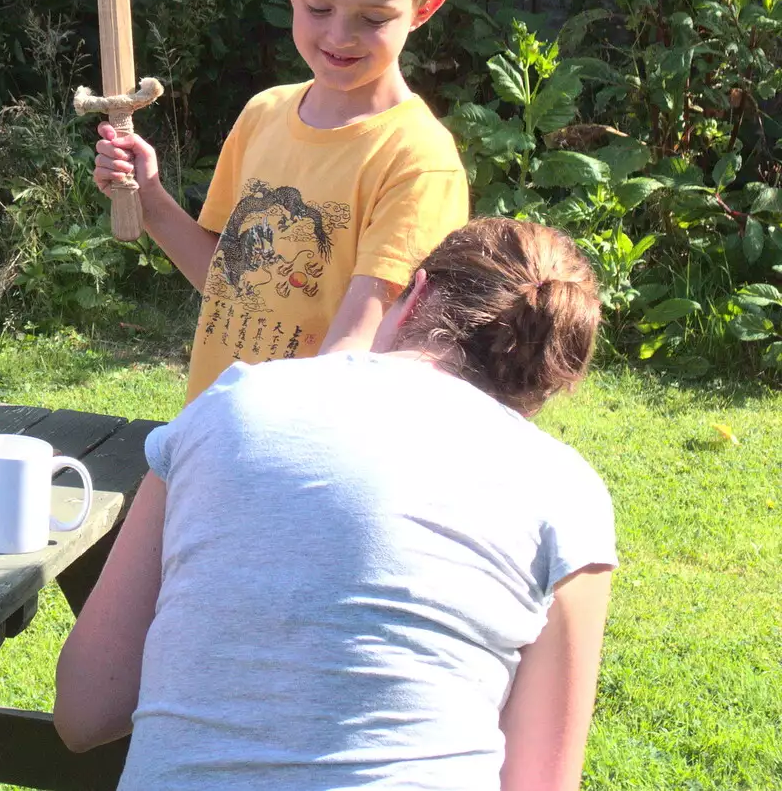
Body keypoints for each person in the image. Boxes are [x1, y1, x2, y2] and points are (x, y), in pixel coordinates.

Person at [55, 218, 616, 791]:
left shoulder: (230, 405)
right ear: (539, 387)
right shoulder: (566, 490)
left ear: (416, 293)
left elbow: (86, 708)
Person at [94, 0, 469, 398]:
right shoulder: (263, 115)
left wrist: (270, 441)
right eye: (319, 8)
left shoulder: (418, 160)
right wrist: (149, 196)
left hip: (313, 454)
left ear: (423, 10)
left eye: (372, 18)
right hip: (219, 429)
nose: (339, 36)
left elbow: (361, 346)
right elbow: (228, 283)